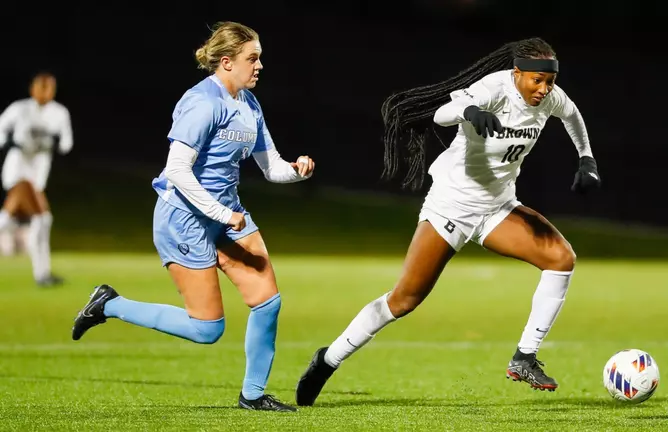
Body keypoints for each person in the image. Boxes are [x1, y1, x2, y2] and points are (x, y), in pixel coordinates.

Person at [295, 37, 601, 406]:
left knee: (561, 258)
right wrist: (470, 113)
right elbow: (443, 113)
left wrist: (586, 158)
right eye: (537, 80)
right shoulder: (493, 89)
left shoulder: (549, 97)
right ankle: (327, 361)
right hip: (451, 208)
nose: (544, 89)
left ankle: (524, 357)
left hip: (498, 209)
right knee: (403, 300)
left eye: (549, 82)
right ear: (517, 73)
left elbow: (572, 115)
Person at [70, 21, 315, 412]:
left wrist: (296, 169)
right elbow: (178, 171)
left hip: (225, 215)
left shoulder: (249, 105)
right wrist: (222, 213)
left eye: (260, 58)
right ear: (226, 62)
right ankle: (108, 304)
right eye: (253, 58)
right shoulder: (203, 103)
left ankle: (252, 396)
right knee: (207, 329)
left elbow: (271, 167)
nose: (259, 66)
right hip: (183, 218)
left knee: (267, 301)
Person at [0, 72, 72, 285]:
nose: (44, 91)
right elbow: (1, 128)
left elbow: (67, 144)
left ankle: (42, 274)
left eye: (48, 87)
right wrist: (9, 142)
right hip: (17, 171)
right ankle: (42, 275)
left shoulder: (59, 113)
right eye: (40, 87)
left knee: (14, 218)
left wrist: (55, 141)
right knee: (42, 218)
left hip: (38, 174)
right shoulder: (20, 108)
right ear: (32, 89)